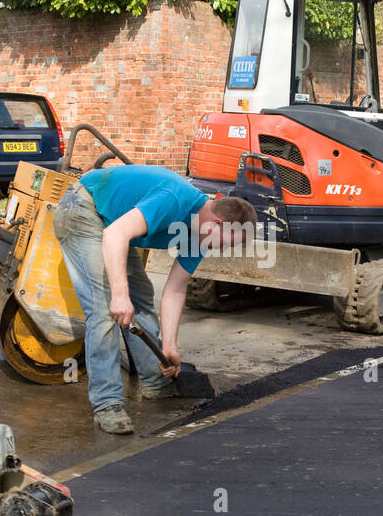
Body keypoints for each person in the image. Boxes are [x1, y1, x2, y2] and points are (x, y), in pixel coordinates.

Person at [52, 164, 256, 435]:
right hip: (82, 209)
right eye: (226, 243)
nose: (222, 250)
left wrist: (169, 346)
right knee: (105, 311)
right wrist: (120, 296)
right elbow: (115, 235)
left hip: (111, 222)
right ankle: (107, 404)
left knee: (142, 299)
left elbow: (175, 290)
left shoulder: (199, 235)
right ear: (217, 224)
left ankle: (155, 380)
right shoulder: (174, 199)